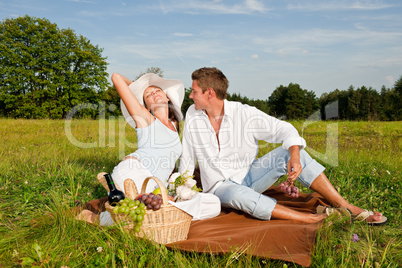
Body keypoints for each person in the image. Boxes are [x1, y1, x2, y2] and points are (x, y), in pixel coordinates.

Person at [178, 67, 387, 225]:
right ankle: (309, 219)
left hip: (249, 176)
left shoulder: (245, 114)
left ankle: (345, 206)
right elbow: (187, 157)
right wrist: (182, 191)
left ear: (210, 93)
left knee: (291, 153)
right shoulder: (192, 115)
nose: (190, 95)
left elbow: (285, 130)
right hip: (220, 187)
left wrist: (294, 156)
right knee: (235, 194)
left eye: (194, 91)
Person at [77, 72, 220, 225]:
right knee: (151, 211)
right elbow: (116, 78)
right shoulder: (144, 118)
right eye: (148, 95)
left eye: (157, 91)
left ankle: (116, 216)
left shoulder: (174, 124)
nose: (154, 94)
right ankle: (98, 218)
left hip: (156, 185)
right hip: (133, 173)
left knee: (213, 203)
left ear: (167, 97)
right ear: (145, 106)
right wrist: (138, 87)